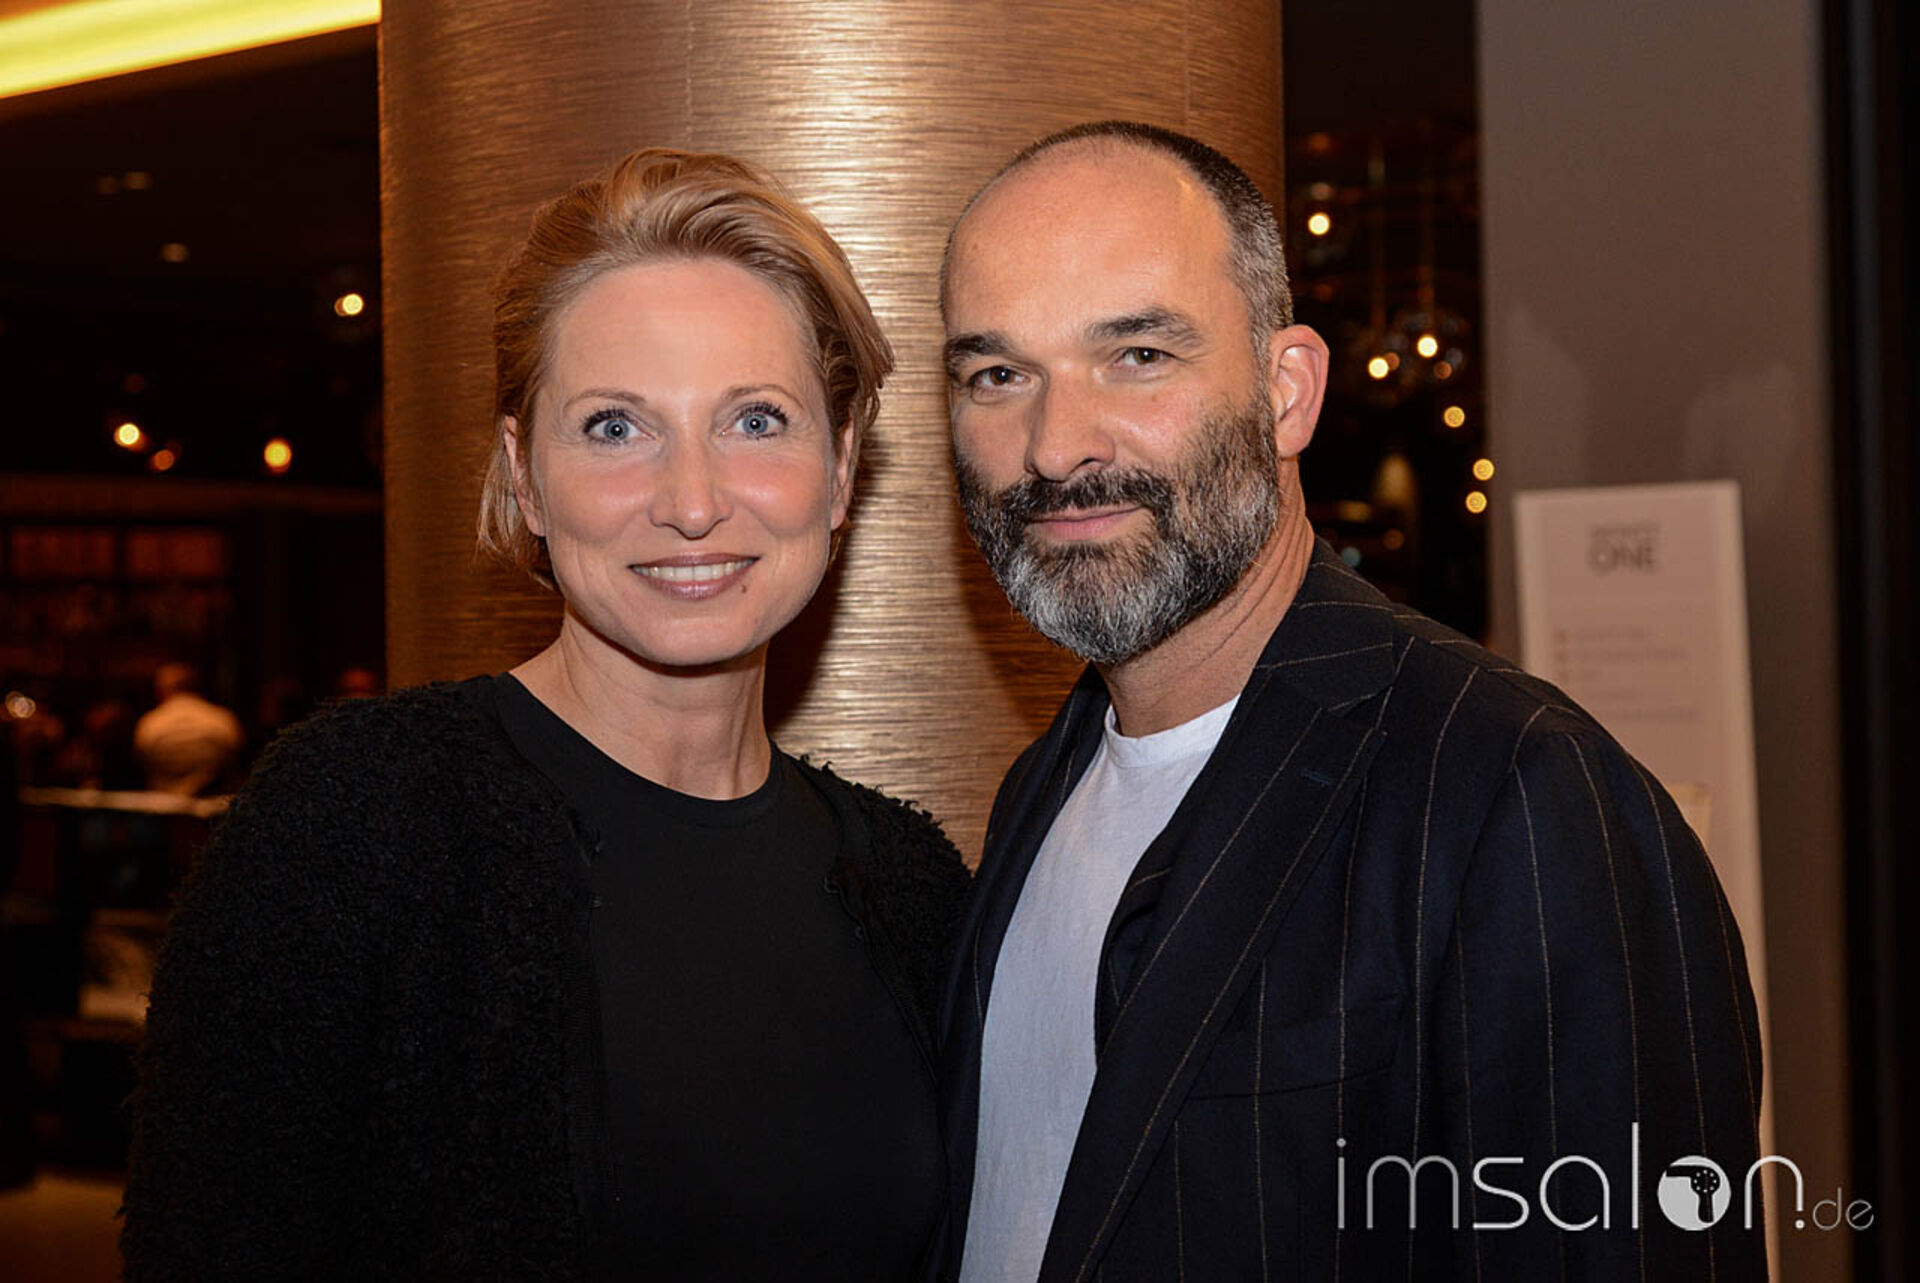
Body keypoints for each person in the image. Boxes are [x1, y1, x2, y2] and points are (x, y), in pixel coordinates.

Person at [935, 121, 1764, 1281]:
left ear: (1287, 391)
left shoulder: (1517, 791)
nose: (1055, 445)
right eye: (998, 374)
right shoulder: (1046, 783)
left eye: (1138, 355)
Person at [121, 148, 969, 1280]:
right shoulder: (354, 824)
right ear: (524, 474)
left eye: (756, 420)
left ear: (842, 463)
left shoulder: (912, 888)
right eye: (616, 427)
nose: (692, 501)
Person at [132, 662, 244, 795]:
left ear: (160, 691)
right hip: (213, 801)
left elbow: (142, 759)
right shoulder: (222, 719)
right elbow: (235, 755)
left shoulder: (150, 723)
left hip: (164, 801)